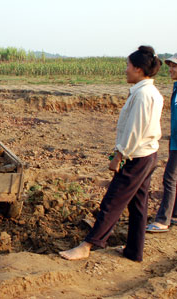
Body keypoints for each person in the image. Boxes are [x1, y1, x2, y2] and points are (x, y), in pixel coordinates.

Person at [59, 46, 163, 262]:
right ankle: (134, 251)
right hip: (148, 154)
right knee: (138, 205)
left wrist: (119, 156)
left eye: (127, 66)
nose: (125, 70)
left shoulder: (143, 95)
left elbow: (135, 130)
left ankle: (88, 245)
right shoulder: (151, 92)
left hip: (136, 157)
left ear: (138, 69)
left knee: (112, 201)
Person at [146, 53, 177, 233]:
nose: (171, 70)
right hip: (174, 141)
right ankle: (173, 214)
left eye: (175, 67)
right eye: (171, 66)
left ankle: (163, 220)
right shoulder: (175, 88)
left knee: (170, 179)